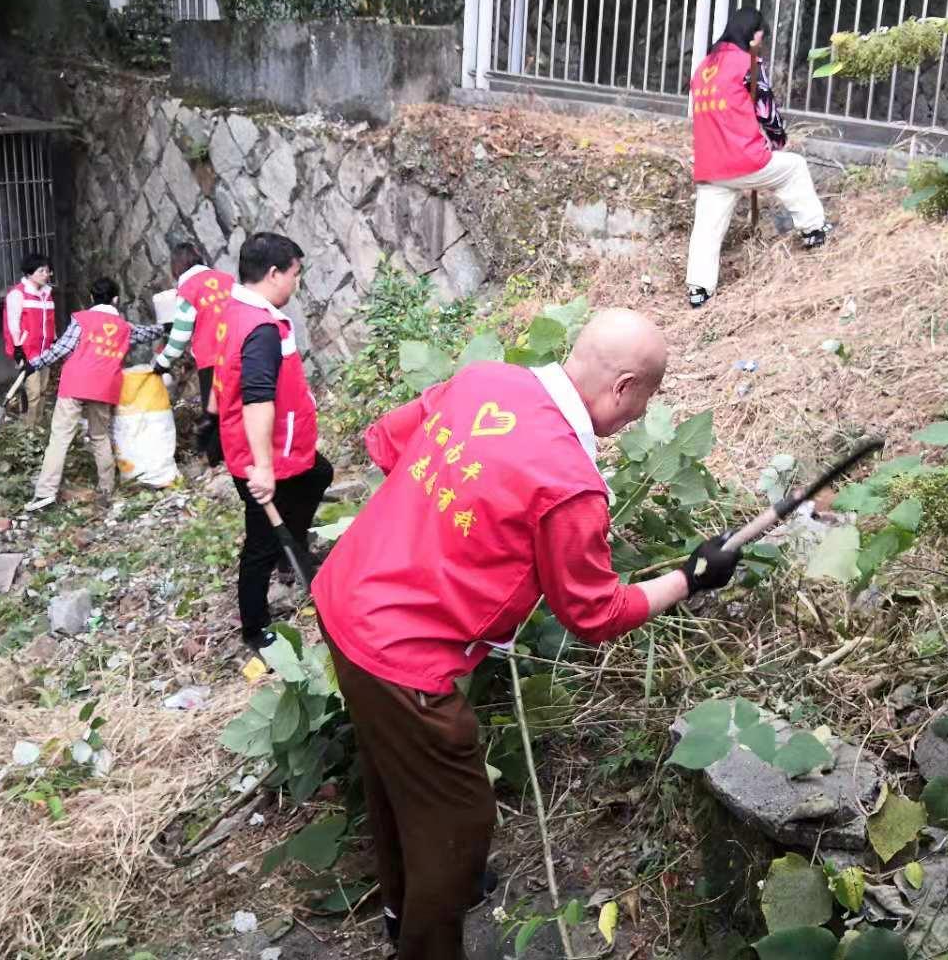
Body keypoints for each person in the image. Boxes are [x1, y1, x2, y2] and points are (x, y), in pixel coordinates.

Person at [309, 308, 744, 959]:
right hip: (403, 659)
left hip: (344, 598)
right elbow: (595, 615)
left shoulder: (487, 380)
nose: (634, 419)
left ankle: (403, 907)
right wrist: (691, 577)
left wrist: (447, 533)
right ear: (625, 388)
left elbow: (386, 444)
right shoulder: (570, 484)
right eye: (643, 401)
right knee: (460, 821)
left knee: (394, 771)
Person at [212, 232, 333, 653]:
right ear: (274, 273)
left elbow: (222, 371)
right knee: (260, 541)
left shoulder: (238, 309)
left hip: (280, 447)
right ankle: (254, 629)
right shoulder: (260, 327)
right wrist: (261, 467)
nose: (297, 284)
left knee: (319, 473)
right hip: (262, 454)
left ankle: (291, 551)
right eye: (295, 274)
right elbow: (257, 397)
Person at [685, 6, 835, 308]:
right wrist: (779, 139)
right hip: (744, 159)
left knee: (707, 226)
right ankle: (813, 229)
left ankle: (698, 289)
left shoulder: (703, 68)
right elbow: (765, 109)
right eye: (760, 38)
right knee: (794, 168)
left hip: (709, 165)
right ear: (752, 35)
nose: (760, 44)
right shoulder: (747, 62)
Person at [23, 277, 167, 513]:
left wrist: (34, 364)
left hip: (75, 384)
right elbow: (146, 333)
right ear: (116, 299)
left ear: (91, 298)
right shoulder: (123, 328)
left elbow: (61, 349)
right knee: (100, 437)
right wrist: (168, 327)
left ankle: (45, 494)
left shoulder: (81, 319)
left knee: (59, 438)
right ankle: (107, 489)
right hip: (104, 387)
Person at [152, 241, 235, 464]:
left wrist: (163, 361)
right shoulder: (227, 280)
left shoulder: (188, 288)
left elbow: (180, 335)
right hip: (239, 349)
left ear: (176, 266)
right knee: (235, 403)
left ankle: (216, 458)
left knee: (214, 410)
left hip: (211, 356)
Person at [1, 253, 57, 426]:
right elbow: (13, 324)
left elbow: (50, 321)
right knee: (32, 392)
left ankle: (37, 424)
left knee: (42, 390)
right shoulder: (18, 294)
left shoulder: (47, 294)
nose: (46, 275)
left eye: (47, 271)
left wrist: (54, 341)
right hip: (27, 352)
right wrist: (18, 350)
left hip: (45, 351)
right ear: (29, 273)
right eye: (41, 271)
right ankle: (27, 428)